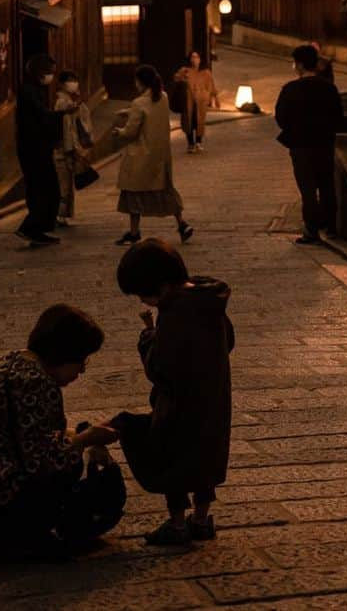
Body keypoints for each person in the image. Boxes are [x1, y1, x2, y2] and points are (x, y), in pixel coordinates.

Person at [0, 303, 125, 563]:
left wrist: (75, 435)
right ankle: (17, 536)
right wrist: (86, 440)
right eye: (81, 360)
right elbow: (43, 463)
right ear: (65, 353)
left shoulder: (13, 362)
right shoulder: (36, 383)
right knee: (65, 472)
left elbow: (26, 438)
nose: (81, 370)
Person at [113, 239, 234, 548]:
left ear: (161, 285)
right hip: (213, 398)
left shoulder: (172, 314)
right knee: (205, 458)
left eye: (144, 293)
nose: (145, 301)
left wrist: (147, 337)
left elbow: (160, 368)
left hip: (178, 402)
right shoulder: (210, 302)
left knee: (173, 459)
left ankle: (178, 522)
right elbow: (228, 341)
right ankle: (202, 519)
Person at [113, 64, 193, 247]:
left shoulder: (139, 102)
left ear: (140, 81)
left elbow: (131, 132)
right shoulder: (162, 97)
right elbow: (151, 113)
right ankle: (182, 224)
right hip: (160, 155)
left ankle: (134, 232)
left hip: (141, 156)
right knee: (165, 191)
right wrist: (129, 112)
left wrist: (119, 132)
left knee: (133, 194)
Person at [274, 43, 344, 245]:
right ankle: (331, 227)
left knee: (308, 189)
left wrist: (295, 128)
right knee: (326, 185)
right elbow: (338, 117)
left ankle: (311, 230)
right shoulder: (329, 88)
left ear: (300, 65)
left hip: (301, 145)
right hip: (324, 143)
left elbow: (281, 117)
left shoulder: (290, 89)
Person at [15, 54, 71, 246]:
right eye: (49, 73)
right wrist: (63, 113)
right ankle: (31, 228)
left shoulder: (31, 90)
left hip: (33, 147)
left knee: (40, 189)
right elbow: (41, 118)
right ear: (40, 73)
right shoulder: (30, 92)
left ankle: (37, 231)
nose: (51, 77)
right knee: (46, 189)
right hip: (34, 149)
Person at [54, 70, 93, 226]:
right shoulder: (62, 102)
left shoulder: (71, 101)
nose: (74, 83)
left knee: (68, 184)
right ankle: (59, 215)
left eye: (74, 80)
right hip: (63, 148)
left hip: (69, 147)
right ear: (62, 84)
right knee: (64, 185)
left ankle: (63, 216)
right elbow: (67, 127)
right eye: (70, 80)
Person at [174, 50, 219, 153]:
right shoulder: (185, 70)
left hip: (201, 102)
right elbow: (176, 79)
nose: (194, 59)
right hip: (188, 101)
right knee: (188, 122)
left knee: (199, 122)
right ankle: (190, 144)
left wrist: (214, 98)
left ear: (200, 59)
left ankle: (198, 142)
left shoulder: (206, 73)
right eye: (192, 57)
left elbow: (211, 86)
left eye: (196, 57)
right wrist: (181, 77)